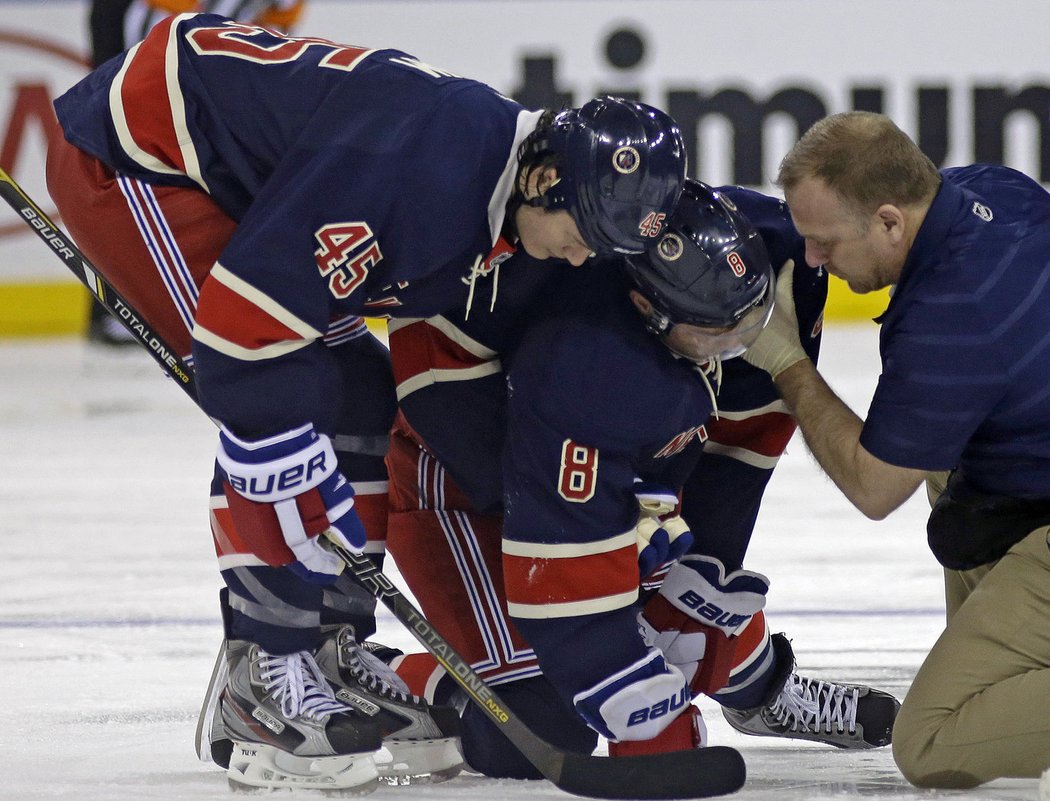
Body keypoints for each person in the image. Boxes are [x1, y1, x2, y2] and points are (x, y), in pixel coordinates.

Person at [46, 11, 687, 792]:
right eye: (585, 231)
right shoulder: (420, 177)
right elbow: (241, 340)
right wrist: (293, 467)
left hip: (241, 167)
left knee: (356, 392)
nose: (585, 254)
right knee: (283, 396)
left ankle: (329, 649)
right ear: (546, 180)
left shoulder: (494, 182)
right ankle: (265, 669)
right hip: (138, 158)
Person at [379, 180, 900, 777]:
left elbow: (741, 454)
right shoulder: (580, 354)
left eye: (749, 319)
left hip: (604, 469)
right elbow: (442, 402)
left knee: (688, 609)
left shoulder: (776, 253)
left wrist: (689, 587)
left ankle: (759, 689)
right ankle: (386, 681)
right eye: (714, 334)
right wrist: (605, 550)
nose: (739, 347)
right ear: (648, 309)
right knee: (534, 729)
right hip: (460, 484)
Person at [740, 110, 1050, 789]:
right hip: (1030, 477)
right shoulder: (994, 190)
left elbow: (876, 486)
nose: (814, 259)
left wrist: (784, 358)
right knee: (933, 439)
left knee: (935, 740)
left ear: (888, 220)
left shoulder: (956, 317)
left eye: (823, 243)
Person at [84, 0, 308, 346]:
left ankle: (203, 305)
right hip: (151, 24)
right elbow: (148, 32)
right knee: (132, 154)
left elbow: (275, 32)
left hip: (192, 37)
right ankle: (117, 308)